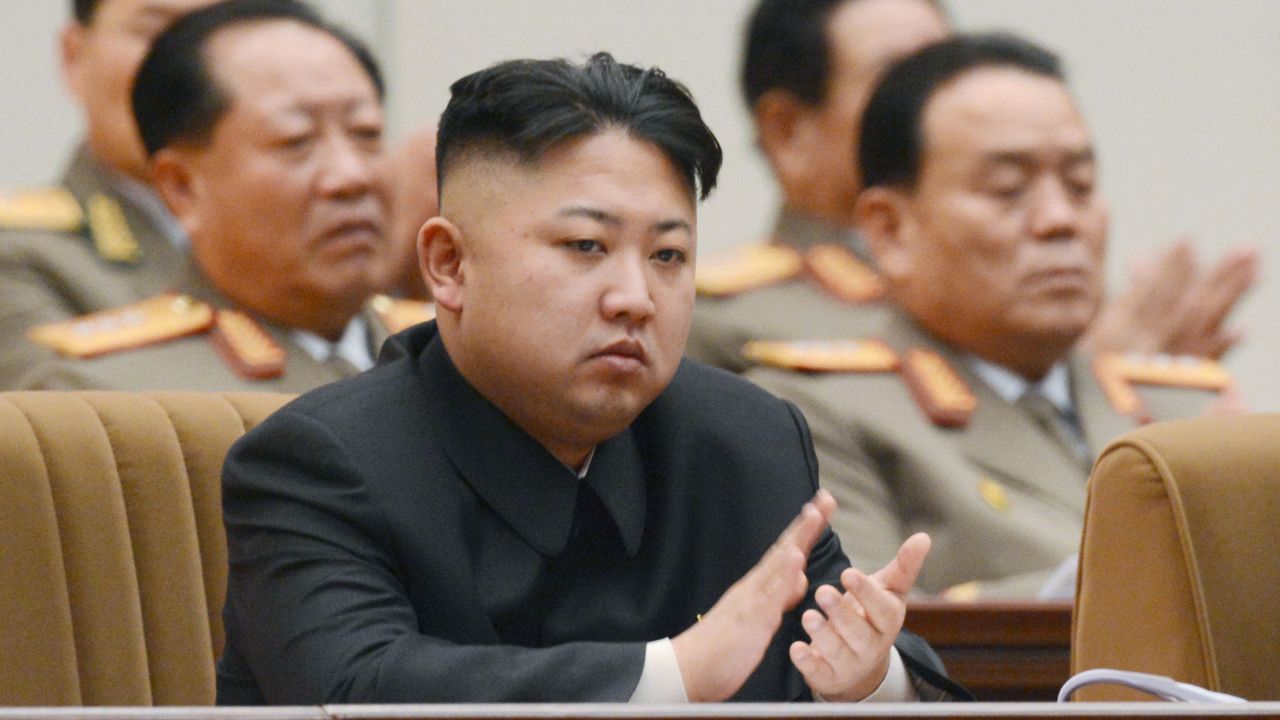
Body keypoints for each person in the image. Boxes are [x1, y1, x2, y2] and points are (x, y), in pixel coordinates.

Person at [216, 52, 969, 704]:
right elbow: (356, 688)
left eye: (668, 255)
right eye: (585, 246)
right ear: (449, 265)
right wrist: (676, 675)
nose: (635, 299)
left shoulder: (745, 439)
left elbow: (860, 650)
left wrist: (868, 679)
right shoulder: (318, 464)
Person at [748, 34, 1238, 599]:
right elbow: (865, 643)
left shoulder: (1192, 413)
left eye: (1080, 185)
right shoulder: (808, 417)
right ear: (890, 229)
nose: (1060, 220)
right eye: (1008, 189)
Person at [687, 0, 1257, 372]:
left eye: (946, 69)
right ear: (788, 131)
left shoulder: (1026, 281)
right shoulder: (717, 321)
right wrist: (1085, 376)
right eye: (900, 77)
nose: (934, 97)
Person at [18, 0, 429, 391]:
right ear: (181, 186)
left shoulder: (455, 355)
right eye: (296, 141)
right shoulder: (110, 392)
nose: (351, 176)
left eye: (367, 134)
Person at [0, 0, 222, 389]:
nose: (188, 66)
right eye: (155, 32)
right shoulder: (19, 253)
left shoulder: (330, 240)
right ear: (74, 56)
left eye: (217, 33)